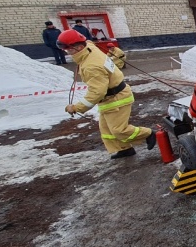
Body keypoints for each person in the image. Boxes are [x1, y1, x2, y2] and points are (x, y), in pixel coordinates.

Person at [57, 29, 156, 159]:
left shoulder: (91, 66)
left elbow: (97, 92)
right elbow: (89, 41)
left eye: (68, 49)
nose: (67, 52)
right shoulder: (89, 48)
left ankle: (148, 134)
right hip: (108, 99)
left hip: (116, 98)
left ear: (79, 47)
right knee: (107, 130)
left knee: (118, 130)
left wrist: (77, 108)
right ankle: (124, 149)